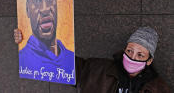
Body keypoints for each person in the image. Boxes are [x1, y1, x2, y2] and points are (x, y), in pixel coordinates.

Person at [15, 26, 170, 92]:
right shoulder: (99, 70)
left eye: (140, 55)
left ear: (149, 60)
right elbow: (62, 64)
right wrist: (28, 38)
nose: (132, 57)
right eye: (129, 51)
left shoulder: (159, 88)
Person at [14, 0, 75, 84]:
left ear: (57, 3)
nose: (45, 8)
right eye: (36, 0)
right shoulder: (23, 59)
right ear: (27, 9)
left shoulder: (71, 57)